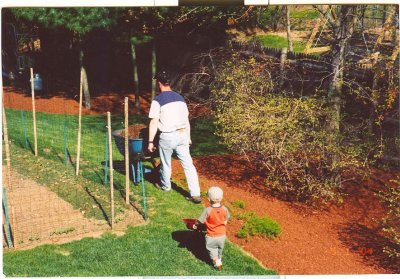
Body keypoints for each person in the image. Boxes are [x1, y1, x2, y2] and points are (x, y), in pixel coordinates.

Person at [148, 69, 201, 204]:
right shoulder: (180, 98)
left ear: (159, 83)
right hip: (182, 134)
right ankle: (195, 194)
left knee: (166, 163)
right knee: (188, 165)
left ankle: (166, 186)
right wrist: (188, 137)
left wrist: (150, 142)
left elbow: (154, 121)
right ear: (169, 83)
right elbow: (186, 119)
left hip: (168, 136)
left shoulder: (157, 100)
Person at [193, 186, 230, 270]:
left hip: (211, 235)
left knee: (211, 249)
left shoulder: (208, 210)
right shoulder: (224, 209)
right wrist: (225, 222)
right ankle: (219, 258)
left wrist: (195, 225)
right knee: (220, 248)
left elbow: (200, 221)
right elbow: (227, 218)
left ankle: (216, 261)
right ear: (221, 198)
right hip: (222, 235)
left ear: (208, 199)